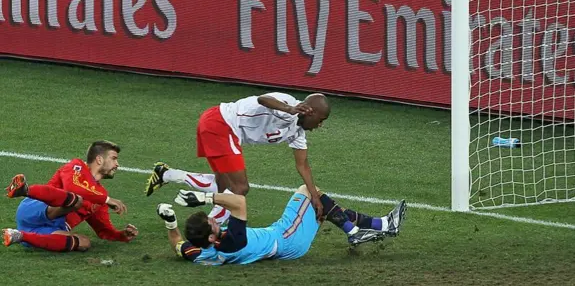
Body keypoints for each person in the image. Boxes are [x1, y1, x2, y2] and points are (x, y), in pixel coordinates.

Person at [146, 92, 330, 224]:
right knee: (240, 188)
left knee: (223, 187)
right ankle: (210, 229)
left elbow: (303, 165)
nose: (320, 125)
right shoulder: (288, 103)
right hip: (221, 123)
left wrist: (314, 196)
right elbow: (263, 99)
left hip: (217, 123)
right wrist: (289, 109)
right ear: (311, 112)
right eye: (321, 119)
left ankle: (166, 174)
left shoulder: (298, 133)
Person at [155, 184, 406, 265]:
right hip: (286, 238)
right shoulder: (231, 241)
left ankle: (383, 224)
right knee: (308, 191)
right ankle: (354, 233)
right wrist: (204, 196)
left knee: (321, 208)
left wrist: (171, 223)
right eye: (212, 222)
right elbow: (239, 202)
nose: (215, 219)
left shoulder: (201, 253)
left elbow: (178, 245)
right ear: (212, 237)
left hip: (285, 241)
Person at [2, 141, 138, 251]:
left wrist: (121, 235)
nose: (117, 164)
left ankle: (18, 236)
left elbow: (103, 230)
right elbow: (72, 187)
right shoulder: (76, 167)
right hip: (35, 210)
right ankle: (25, 190)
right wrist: (107, 200)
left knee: (84, 243)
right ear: (99, 159)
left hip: (47, 229)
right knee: (76, 200)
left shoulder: (99, 195)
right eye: (114, 158)